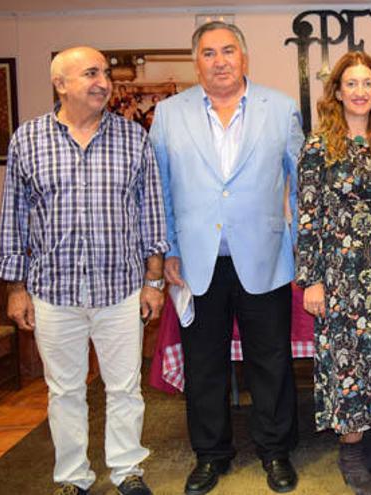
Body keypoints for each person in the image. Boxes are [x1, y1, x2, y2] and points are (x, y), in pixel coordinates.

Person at [0, 46, 168, 495]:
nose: (103, 82)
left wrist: (153, 282)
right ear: (61, 84)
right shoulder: (27, 140)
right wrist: (16, 289)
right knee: (65, 392)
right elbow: (13, 219)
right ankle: (73, 478)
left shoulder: (133, 138)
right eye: (90, 73)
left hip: (120, 290)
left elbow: (151, 215)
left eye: (106, 74)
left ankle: (128, 471)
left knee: (125, 388)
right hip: (54, 292)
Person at [149, 21, 304, 495]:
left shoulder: (280, 109)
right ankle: (211, 454)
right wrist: (168, 250)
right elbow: (161, 191)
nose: (220, 61)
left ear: (244, 57)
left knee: (271, 360)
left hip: (265, 257)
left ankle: (275, 451)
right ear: (197, 62)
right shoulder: (169, 113)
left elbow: (301, 186)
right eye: (210, 53)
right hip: (195, 262)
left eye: (229, 51)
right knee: (204, 364)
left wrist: (299, 244)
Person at [295, 51, 371, 495]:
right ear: (338, 91)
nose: (361, 91)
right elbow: (307, 216)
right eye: (352, 83)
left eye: (368, 83)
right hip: (339, 273)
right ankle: (351, 451)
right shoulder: (318, 146)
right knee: (346, 362)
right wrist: (311, 278)